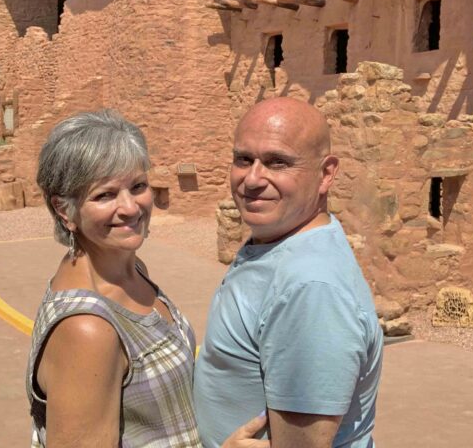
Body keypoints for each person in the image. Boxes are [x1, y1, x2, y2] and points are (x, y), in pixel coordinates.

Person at [26, 109, 268, 448]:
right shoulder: (88, 330)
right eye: (105, 195)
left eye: (137, 186)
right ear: (65, 211)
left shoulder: (129, 268)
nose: (130, 207)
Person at [194, 97, 384, 448]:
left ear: (326, 174)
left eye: (277, 162)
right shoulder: (281, 243)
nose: (252, 179)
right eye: (243, 159)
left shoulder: (310, 287)